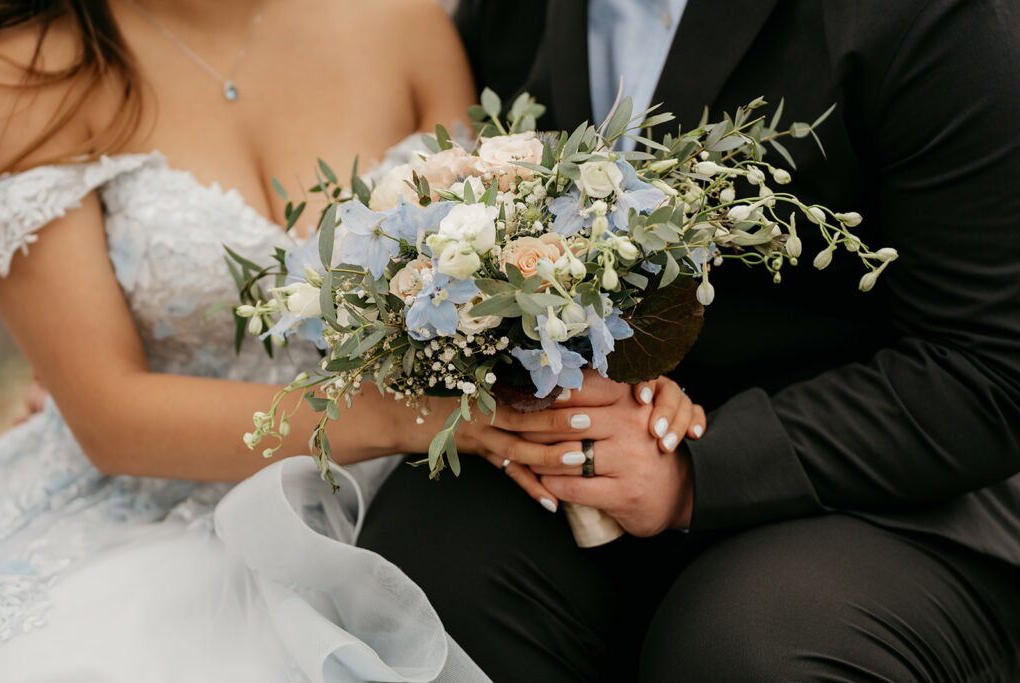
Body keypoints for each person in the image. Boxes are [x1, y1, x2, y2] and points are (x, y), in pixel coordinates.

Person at [0, 1, 706, 679]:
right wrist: (420, 420)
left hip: (412, 497)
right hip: (154, 513)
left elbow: (494, 268)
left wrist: (613, 379)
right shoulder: (26, 77)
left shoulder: (409, 23)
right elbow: (111, 415)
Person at [358, 0, 1020, 680]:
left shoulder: (926, 18)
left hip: (884, 490)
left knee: (745, 650)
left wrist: (696, 472)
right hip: (591, 469)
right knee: (419, 569)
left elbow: (991, 369)